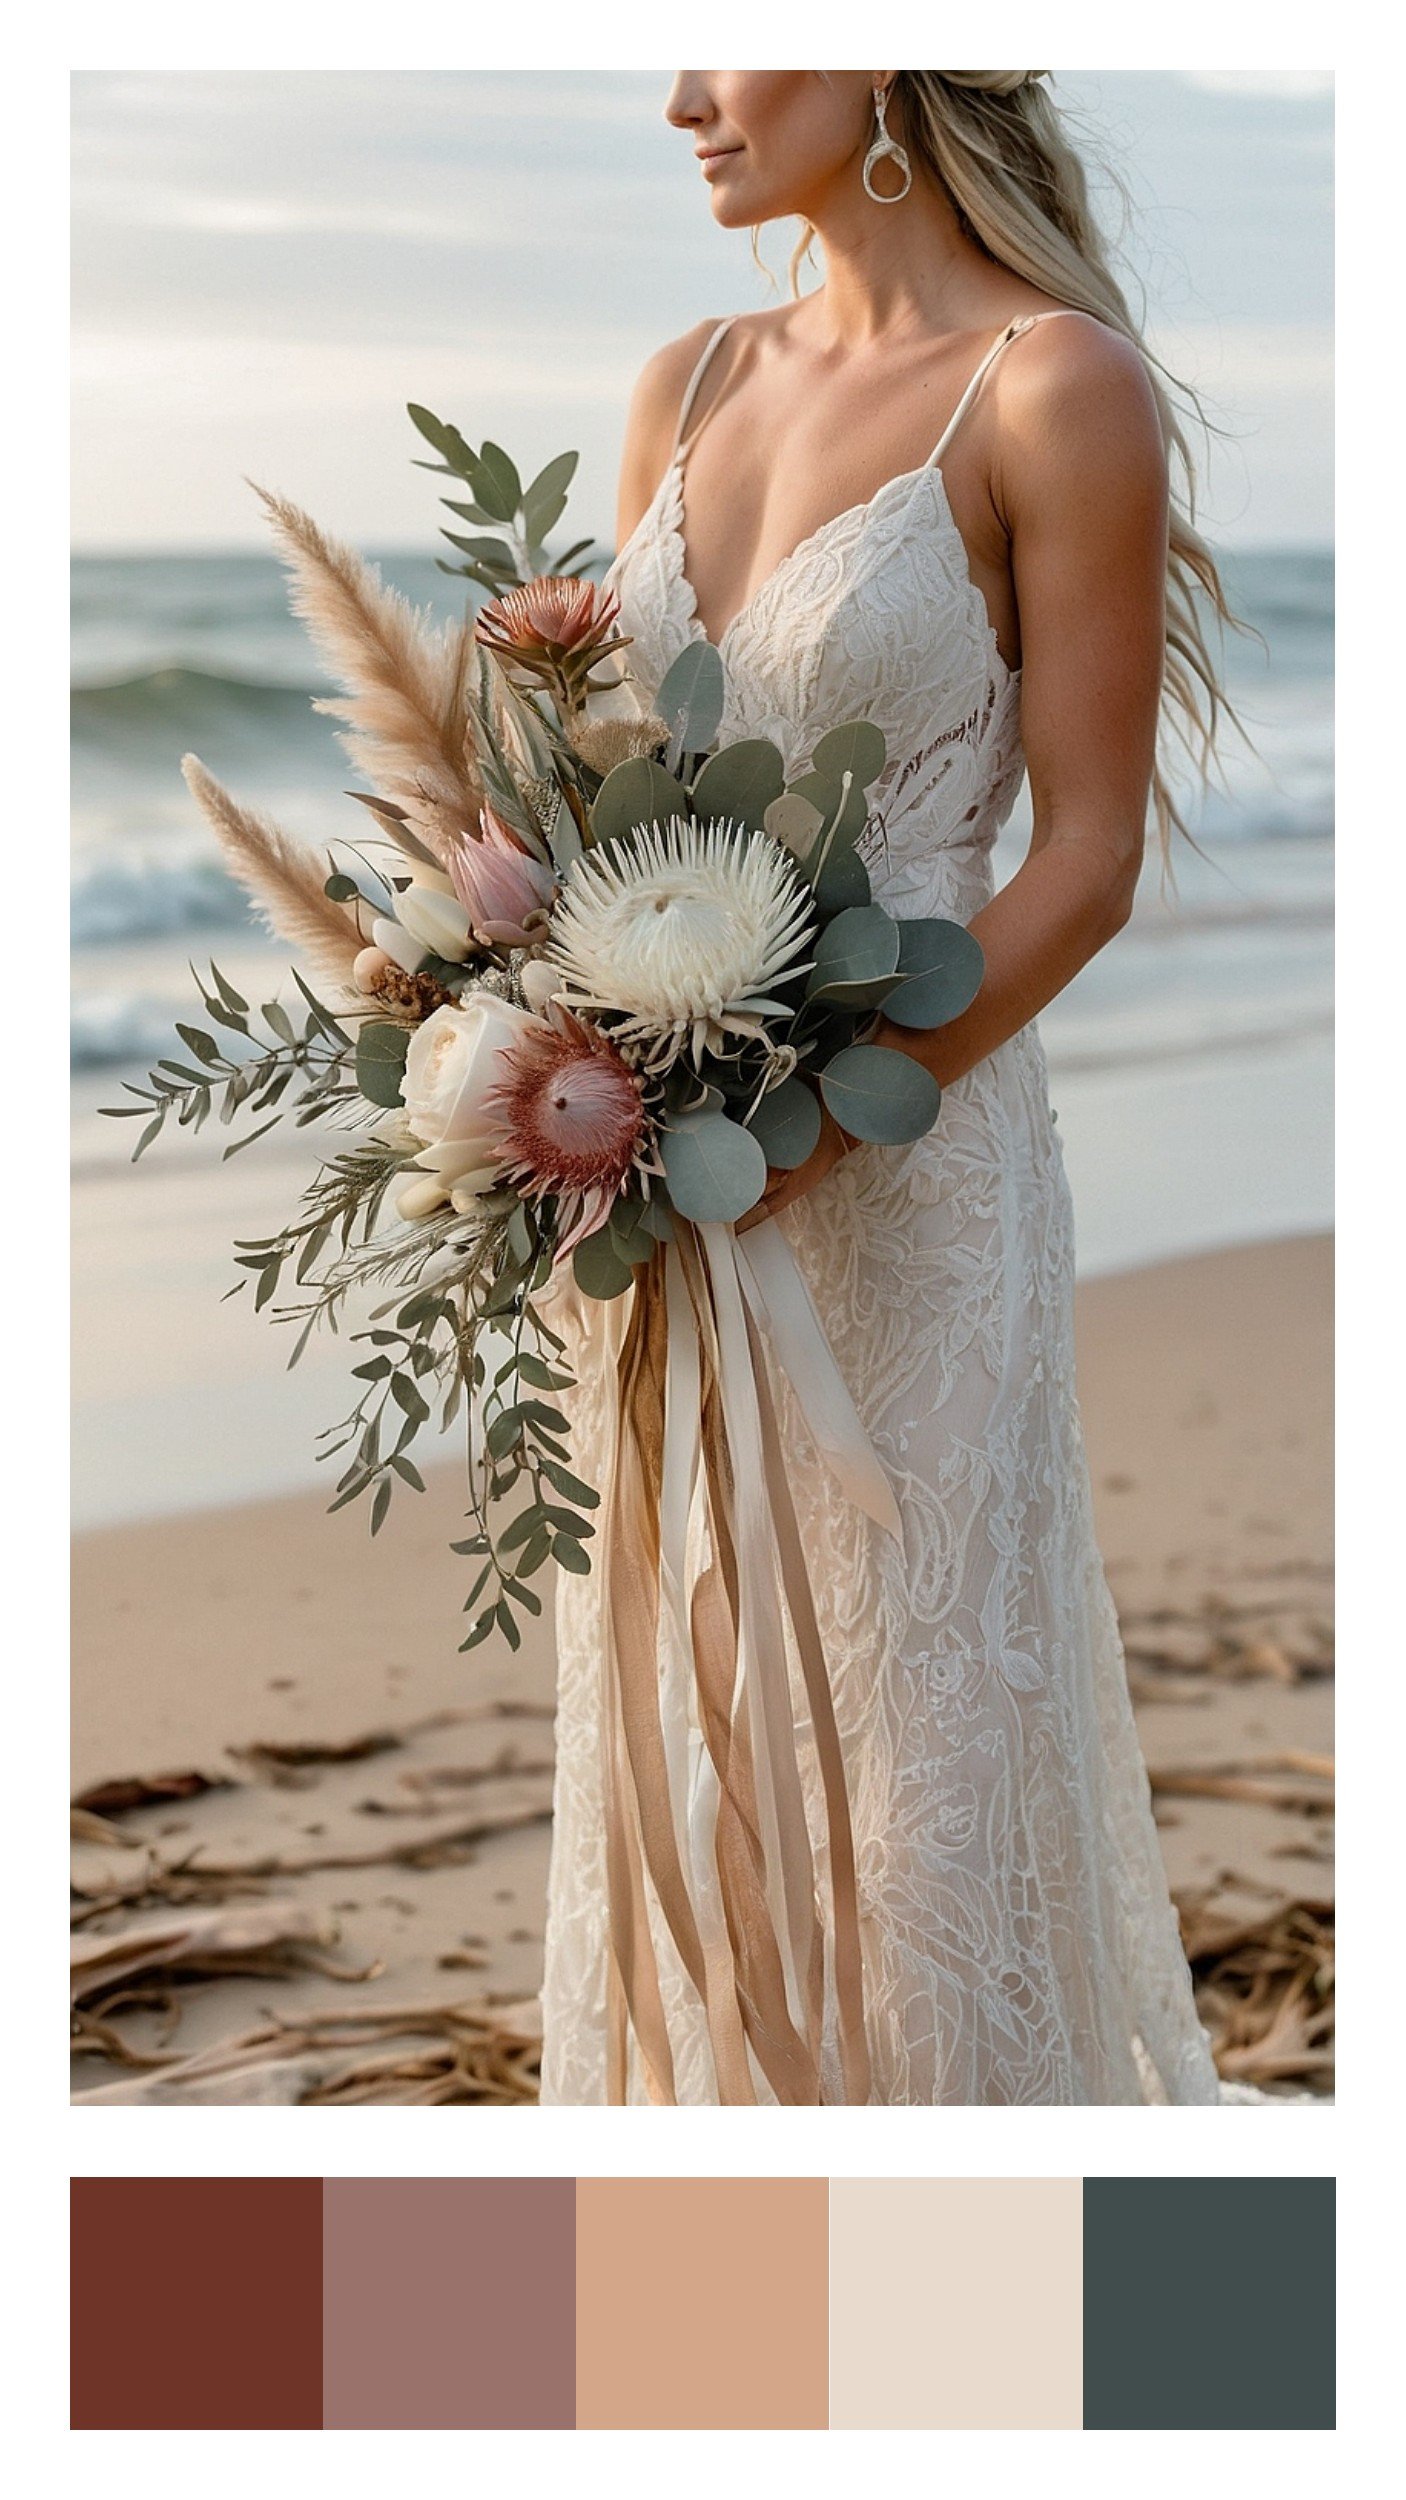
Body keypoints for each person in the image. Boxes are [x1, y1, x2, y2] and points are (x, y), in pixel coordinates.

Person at [541, 70, 1235, 2103]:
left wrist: (805, 1125)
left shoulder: (1047, 386)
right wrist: (556, 1052)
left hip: (911, 1190)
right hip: (673, 1210)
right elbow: (621, 813)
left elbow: (1087, 856)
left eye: (729, 34)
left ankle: (965, 2333)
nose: (678, 92)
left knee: (917, 1766)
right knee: (700, 1736)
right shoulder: (682, 379)